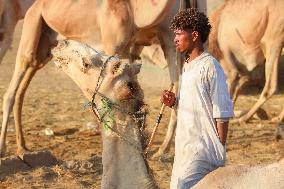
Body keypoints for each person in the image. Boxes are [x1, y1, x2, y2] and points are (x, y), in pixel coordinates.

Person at [161, 8, 234, 189]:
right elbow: (195, 105)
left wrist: (217, 149)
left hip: (203, 153)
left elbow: (222, 111)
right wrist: (174, 103)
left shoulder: (210, 66)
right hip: (185, 150)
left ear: (194, 35)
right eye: (175, 34)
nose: (175, 39)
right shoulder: (188, 66)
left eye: (179, 34)